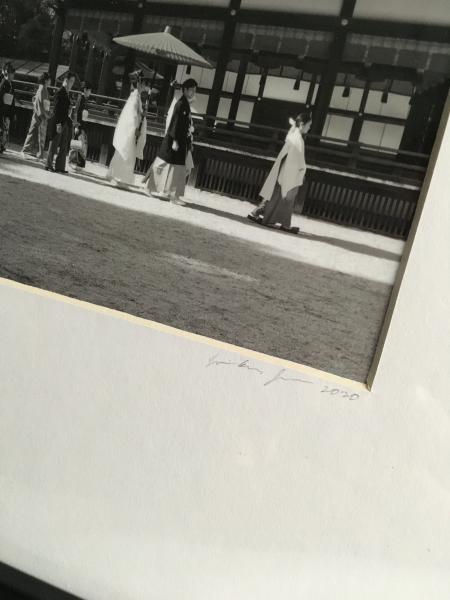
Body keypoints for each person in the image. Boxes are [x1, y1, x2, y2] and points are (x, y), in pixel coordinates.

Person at [248, 112, 312, 232]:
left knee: (276, 197)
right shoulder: (297, 139)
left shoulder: (294, 136)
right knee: (283, 198)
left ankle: (258, 213)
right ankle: (275, 221)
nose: (309, 128)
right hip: (288, 172)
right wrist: (299, 173)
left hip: (285, 171)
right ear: (302, 124)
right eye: (309, 125)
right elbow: (294, 160)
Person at [142, 78, 197, 206]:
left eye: (194, 90)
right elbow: (174, 123)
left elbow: (185, 123)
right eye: (192, 90)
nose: (193, 92)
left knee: (178, 169)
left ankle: (174, 195)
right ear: (185, 90)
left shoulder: (185, 104)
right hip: (174, 140)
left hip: (181, 141)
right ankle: (149, 188)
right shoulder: (180, 104)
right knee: (162, 164)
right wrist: (175, 140)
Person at [107, 70, 147, 187]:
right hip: (130, 129)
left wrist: (142, 114)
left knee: (127, 154)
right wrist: (135, 127)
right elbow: (131, 115)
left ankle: (121, 178)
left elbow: (136, 114)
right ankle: (117, 177)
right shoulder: (135, 96)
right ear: (139, 84)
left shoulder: (137, 96)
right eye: (143, 83)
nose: (144, 86)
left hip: (132, 128)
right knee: (125, 152)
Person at [45, 71, 76, 173]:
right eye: (71, 81)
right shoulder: (60, 92)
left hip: (66, 122)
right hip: (59, 122)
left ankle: (60, 167)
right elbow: (56, 110)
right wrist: (58, 124)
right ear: (66, 81)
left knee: (63, 146)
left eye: (73, 82)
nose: (72, 84)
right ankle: (48, 164)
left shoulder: (67, 93)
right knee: (54, 144)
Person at [22, 72, 51, 159]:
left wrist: (47, 113)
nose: (50, 81)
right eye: (49, 80)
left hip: (42, 114)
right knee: (33, 131)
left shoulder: (44, 89)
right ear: (46, 80)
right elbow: (38, 103)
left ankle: (34, 151)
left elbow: (43, 103)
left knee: (38, 134)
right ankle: (25, 150)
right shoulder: (42, 89)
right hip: (39, 114)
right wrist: (44, 114)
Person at [68, 81, 92, 170]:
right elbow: (76, 112)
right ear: (85, 90)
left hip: (83, 124)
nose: (90, 92)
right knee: (76, 144)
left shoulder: (84, 99)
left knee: (82, 144)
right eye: (89, 90)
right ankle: (73, 162)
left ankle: (79, 164)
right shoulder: (80, 98)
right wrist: (76, 125)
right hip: (79, 124)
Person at [0, 62, 16, 154]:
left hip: (8, 109)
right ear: (7, 73)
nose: (13, 75)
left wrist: (13, 113)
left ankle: (2, 145)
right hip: (2, 109)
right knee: (2, 129)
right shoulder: (3, 83)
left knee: (6, 128)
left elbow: (12, 99)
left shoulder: (11, 85)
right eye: (12, 73)